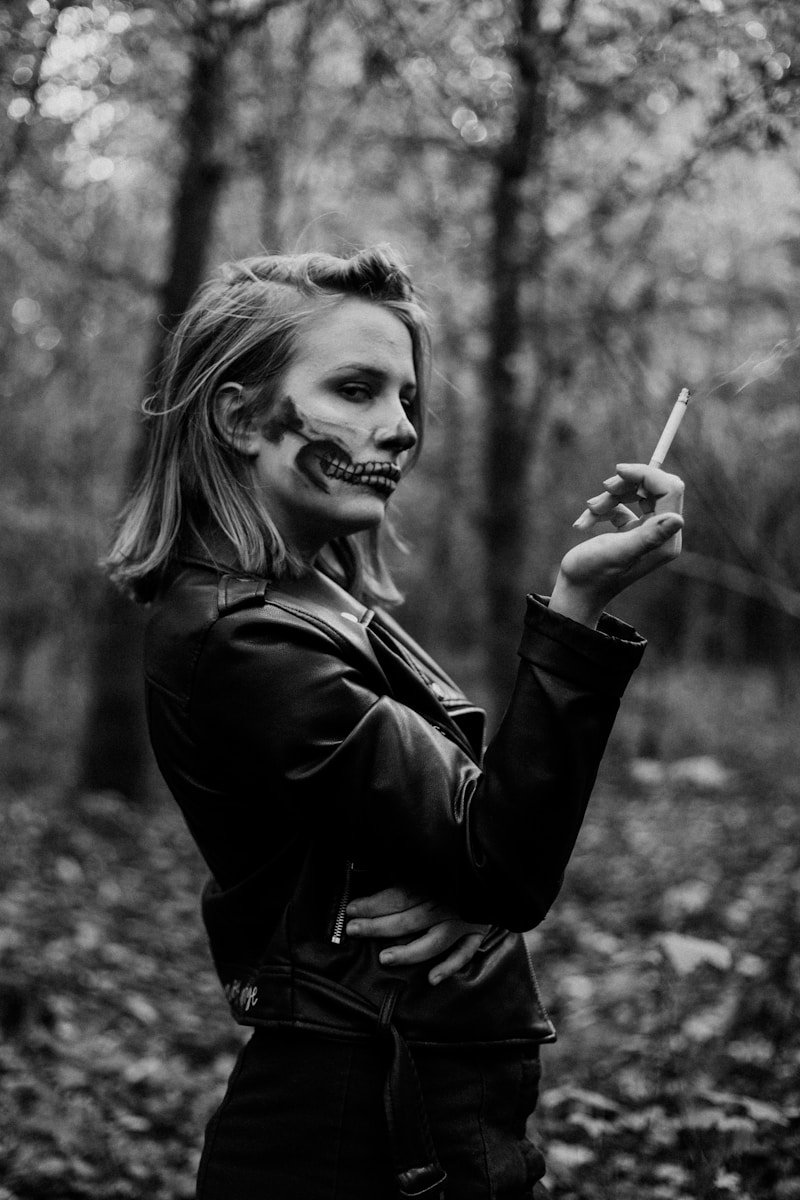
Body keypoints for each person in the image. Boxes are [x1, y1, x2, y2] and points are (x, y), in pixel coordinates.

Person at [106, 246, 684, 1200]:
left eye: (406, 399)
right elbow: (500, 859)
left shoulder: (309, 597)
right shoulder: (244, 637)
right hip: (350, 1125)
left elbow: (472, 840)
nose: (400, 429)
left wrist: (465, 876)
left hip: (417, 1099)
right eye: (357, 389)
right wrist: (578, 604)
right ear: (239, 416)